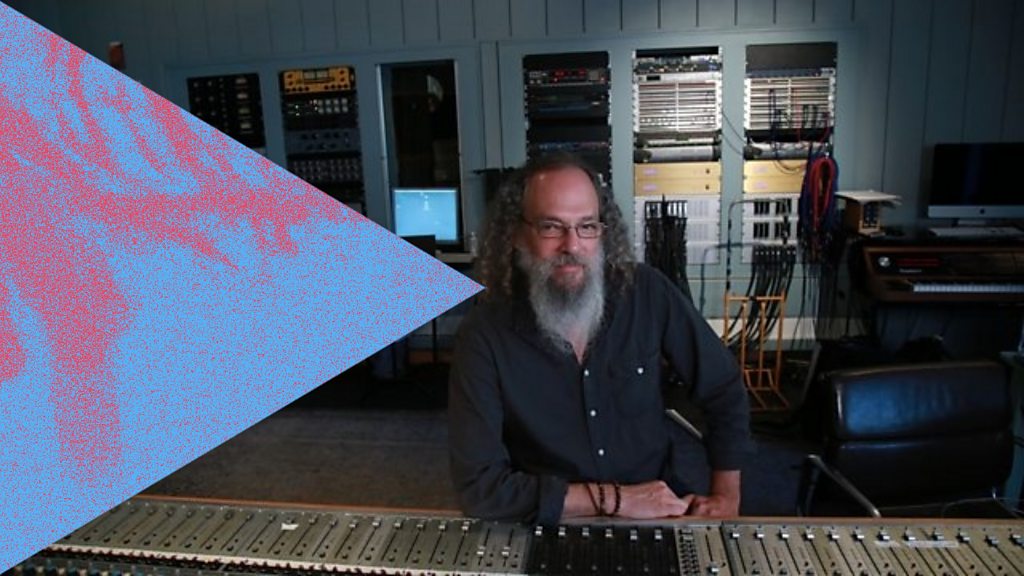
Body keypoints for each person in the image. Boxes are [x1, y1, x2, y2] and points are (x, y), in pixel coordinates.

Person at [448, 152, 752, 525]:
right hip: (550, 522)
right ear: (517, 235)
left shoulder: (646, 292)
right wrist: (613, 499)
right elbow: (480, 489)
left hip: (658, 514)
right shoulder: (483, 335)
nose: (572, 246)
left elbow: (723, 387)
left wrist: (726, 495)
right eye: (551, 227)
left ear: (602, 232)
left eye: (587, 226)